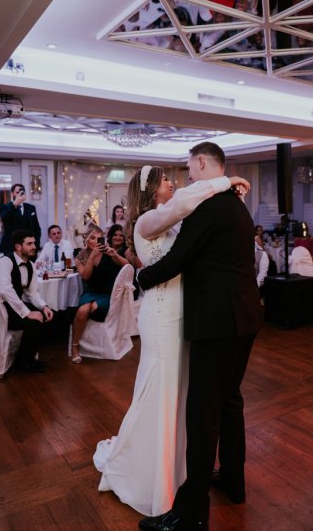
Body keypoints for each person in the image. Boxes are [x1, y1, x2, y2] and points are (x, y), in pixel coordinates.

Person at [93, 161, 251, 519]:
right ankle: (152, 477)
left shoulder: (173, 220)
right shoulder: (148, 221)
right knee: (162, 390)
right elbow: (185, 201)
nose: (173, 185)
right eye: (166, 181)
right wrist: (226, 181)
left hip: (184, 315)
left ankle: (178, 470)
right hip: (161, 317)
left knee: (183, 392)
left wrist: (225, 193)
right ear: (151, 190)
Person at [136, 142, 263, 531]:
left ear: (203, 162)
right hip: (245, 319)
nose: (187, 176)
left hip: (217, 324)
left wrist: (141, 278)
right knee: (230, 402)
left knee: (203, 413)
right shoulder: (236, 204)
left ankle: (190, 514)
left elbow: (178, 259)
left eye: (189, 168)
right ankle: (233, 482)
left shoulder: (207, 207)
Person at [0, 229, 54, 372]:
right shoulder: (4, 262)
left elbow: (33, 293)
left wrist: (44, 306)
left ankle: (27, 357)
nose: (34, 246)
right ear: (18, 247)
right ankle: (23, 361)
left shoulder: (30, 265)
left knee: (50, 316)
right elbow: (6, 290)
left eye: (34, 243)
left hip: (14, 305)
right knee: (34, 323)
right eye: (30, 243)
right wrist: (27, 313)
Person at [71, 226, 128, 363]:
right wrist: (92, 257)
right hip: (90, 292)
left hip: (108, 294)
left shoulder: (108, 253)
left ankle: (80, 343)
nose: (96, 240)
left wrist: (114, 254)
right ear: (86, 239)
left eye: (99, 237)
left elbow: (127, 266)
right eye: (92, 238)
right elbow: (85, 276)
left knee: (92, 308)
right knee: (83, 309)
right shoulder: (80, 256)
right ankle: (75, 347)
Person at [0, 183, 41, 255]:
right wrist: (15, 204)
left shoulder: (31, 208)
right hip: (10, 247)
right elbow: (5, 218)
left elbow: (36, 228)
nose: (19, 195)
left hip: (29, 248)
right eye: (17, 192)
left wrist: (36, 244)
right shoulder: (5, 207)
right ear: (12, 194)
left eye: (22, 192)